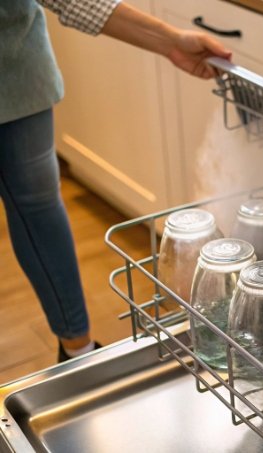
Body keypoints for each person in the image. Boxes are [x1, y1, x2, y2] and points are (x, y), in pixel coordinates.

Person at [0, 0, 232, 362]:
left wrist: (171, 41)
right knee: (37, 206)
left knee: (38, 206)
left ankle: (78, 350)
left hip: (16, 72)